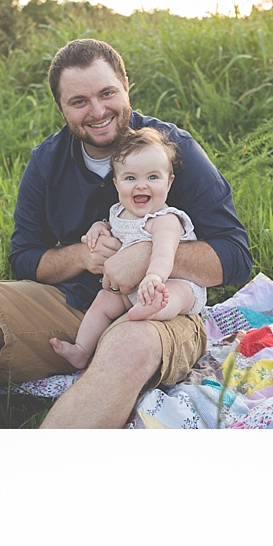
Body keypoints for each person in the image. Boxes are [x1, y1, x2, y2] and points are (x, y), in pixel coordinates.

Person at [0, 39, 252, 429]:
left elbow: (235, 256)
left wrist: (146, 256)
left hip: (160, 308)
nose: (98, 111)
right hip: (80, 303)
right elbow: (24, 257)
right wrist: (82, 258)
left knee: (129, 343)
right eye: (79, 101)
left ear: (126, 87)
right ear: (61, 107)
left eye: (107, 93)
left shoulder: (172, 151)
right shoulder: (46, 162)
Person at [47, 123, 217, 371]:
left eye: (152, 177)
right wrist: (98, 228)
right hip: (130, 290)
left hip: (168, 283)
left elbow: (164, 252)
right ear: (116, 184)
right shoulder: (119, 213)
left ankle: (157, 310)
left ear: (169, 183)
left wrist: (154, 277)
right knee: (103, 300)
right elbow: (110, 227)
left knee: (178, 292)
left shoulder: (165, 219)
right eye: (130, 178)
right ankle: (82, 350)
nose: (141, 185)